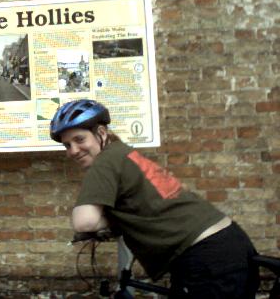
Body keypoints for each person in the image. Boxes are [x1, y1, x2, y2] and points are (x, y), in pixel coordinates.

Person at [50, 99, 258, 298]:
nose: (74, 150)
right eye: (67, 145)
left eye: (79, 139)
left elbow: (84, 221)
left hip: (206, 258)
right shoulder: (124, 153)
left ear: (101, 133)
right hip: (230, 244)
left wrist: (109, 219)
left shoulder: (104, 161)